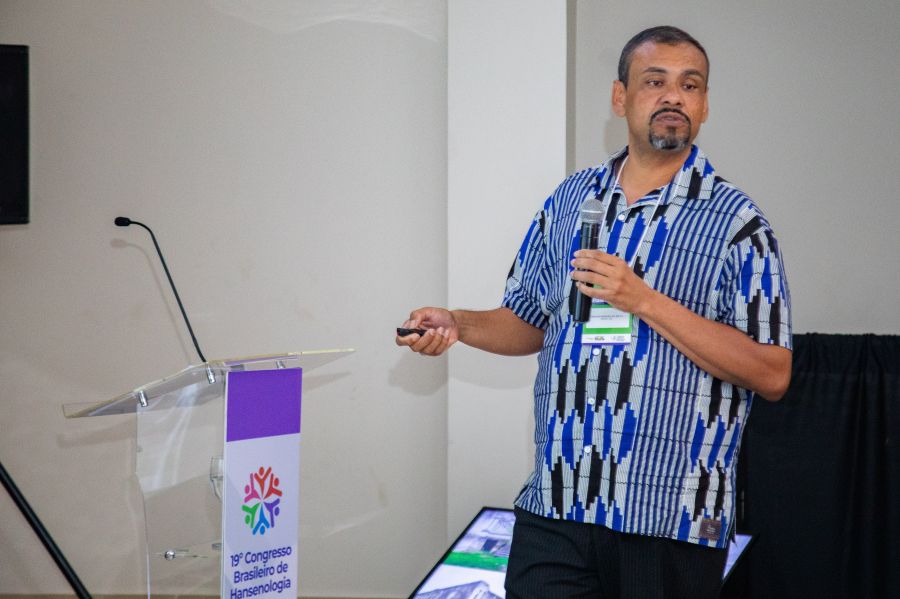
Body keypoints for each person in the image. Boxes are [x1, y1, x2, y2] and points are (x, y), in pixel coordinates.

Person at [397, 25, 791, 598]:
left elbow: (773, 372)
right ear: (620, 97)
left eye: (690, 85)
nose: (673, 96)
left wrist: (644, 300)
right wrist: (461, 324)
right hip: (559, 505)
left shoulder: (739, 224)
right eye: (654, 82)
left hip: (668, 519)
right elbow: (529, 320)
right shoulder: (570, 201)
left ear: (705, 104)